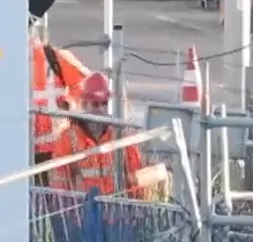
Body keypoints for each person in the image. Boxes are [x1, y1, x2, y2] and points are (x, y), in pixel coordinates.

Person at [48, 71, 168, 200]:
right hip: (84, 212)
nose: (101, 109)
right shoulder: (69, 138)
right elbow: (59, 183)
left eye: (104, 104)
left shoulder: (123, 136)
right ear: (84, 103)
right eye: (95, 104)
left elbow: (135, 177)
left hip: (117, 211)